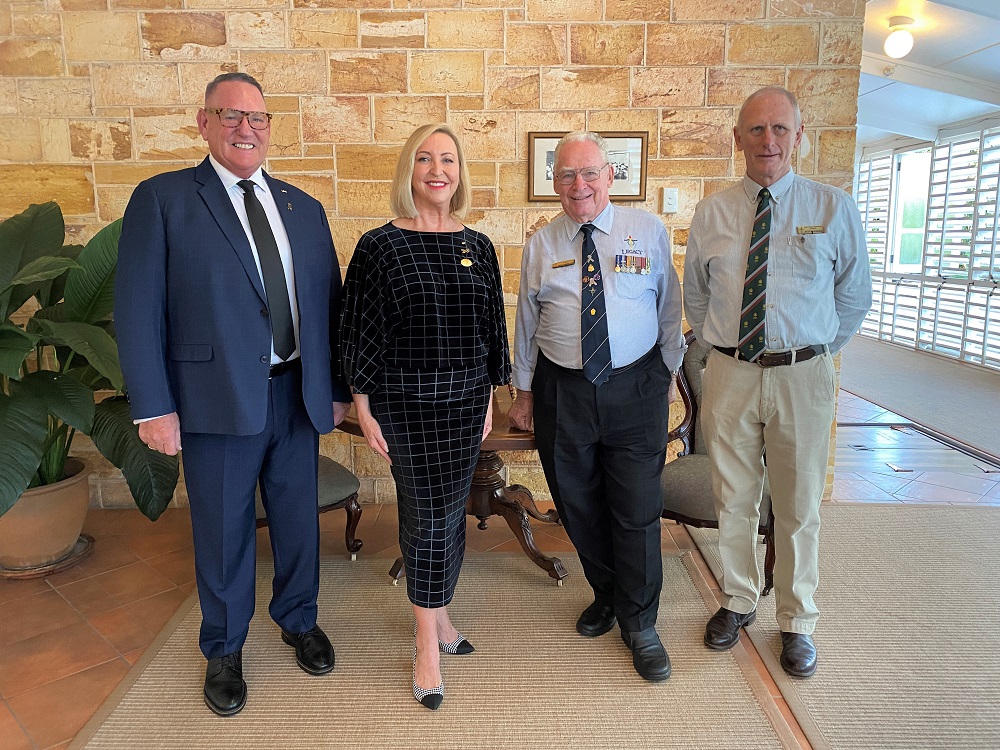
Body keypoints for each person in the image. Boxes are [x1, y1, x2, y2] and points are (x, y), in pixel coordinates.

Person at [115, 72, 352, 716]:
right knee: (223, 531)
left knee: (299, 521)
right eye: (231, 115)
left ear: (271, 127)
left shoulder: (302, 206)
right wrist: (153, 405)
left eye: (259, 118)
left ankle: (299, 619)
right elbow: (137, 309)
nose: (247, 128)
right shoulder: (163, 199)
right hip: (212, 399)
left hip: (297, 395)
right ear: (204, 123)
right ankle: (224, 646)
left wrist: (333, 389)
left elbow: (326, 306)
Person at [683, 86, 872, 678]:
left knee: (796, 506)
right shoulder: (713, 211)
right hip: (731, 373)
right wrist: (725, 352)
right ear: (736, 137)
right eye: (756, 130)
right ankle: (738, 600)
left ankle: (797, 620)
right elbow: (695, 295)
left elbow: (853, 296)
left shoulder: (833, 208)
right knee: (733, 497)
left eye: (780, 129)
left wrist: (812, 351)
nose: (768, 141)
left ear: (798, 135)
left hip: (803, 377)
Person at [339, 123, 510, 710]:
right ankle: (425, 640)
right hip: (403, 404)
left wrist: (490, 397)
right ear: (408, 171)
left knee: (451, 512)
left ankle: (439, 615)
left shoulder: (479, 245)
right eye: (425, 159)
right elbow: (358, 327)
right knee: (425, 513)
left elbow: (492, 331)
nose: (438, 170)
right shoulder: (379, 246)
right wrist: (362, 405)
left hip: (465, 404)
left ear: (460, 173)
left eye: (449, 160)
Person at [509, 131, 685, 683]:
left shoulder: (647, 231)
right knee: (577, 503)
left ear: (610, 176)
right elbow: (526, 325)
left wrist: (668, 373)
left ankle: (641, 623)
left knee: (635, 507)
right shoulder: (541, 244)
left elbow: (670, 305)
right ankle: (606, 593)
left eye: (588, 173)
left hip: (636, 387)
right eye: (565, 175)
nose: (577, 185)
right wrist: (523, 391)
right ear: (553, 183)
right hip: (564, 390)